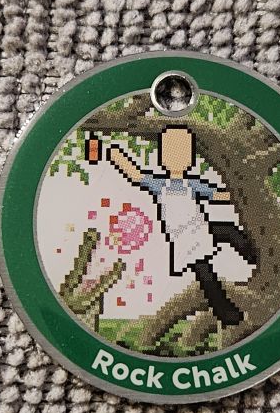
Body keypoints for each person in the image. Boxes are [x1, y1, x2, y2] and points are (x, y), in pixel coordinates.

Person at [106, 125, 257, 326]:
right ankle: (227, 313)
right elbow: (136, 175)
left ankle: (253, 254)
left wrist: (239, 195)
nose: (177, 158)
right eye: (171, 153)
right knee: (206, 273)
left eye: (184, 153)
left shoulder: (191, 184)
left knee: (227, 230)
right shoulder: (160, 184)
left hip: (200, 228)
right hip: (184, 239)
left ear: (190, 158)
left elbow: (216, 195)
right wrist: (117, 157)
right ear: (163, 158)